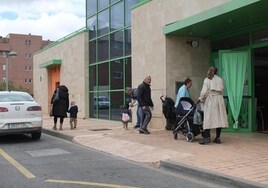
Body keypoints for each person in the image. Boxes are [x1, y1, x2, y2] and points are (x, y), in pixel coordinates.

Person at [198, 67, 228, 145]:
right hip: (219, 100)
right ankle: (217, 138)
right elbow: (222, 90)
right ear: (216, 72)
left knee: (208, 118)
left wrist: (201, 98)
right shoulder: (220, 79)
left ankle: (206, 138)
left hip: (211, 100)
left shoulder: (207, 80)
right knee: (219, 119)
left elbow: (204, 91)